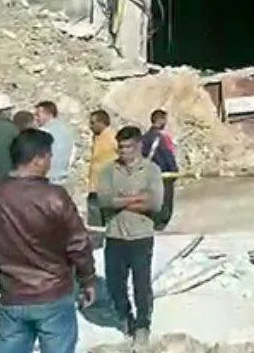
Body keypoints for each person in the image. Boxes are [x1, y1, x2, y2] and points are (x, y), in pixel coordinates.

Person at [0, 129, 96, 353]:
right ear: (37, 159)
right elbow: (78, 244)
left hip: (12, 293)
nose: (50, 162)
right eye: (48, 156)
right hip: (52, 293)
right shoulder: (54, 196)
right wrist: (88, 280)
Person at [96, 126, 165, 347]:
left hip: (140, 235)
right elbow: (105, 200)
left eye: (128, 147)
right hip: (115, 235)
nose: (123, 152)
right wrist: (136, 199)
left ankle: (143, 324)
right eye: (121, 147)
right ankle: (125, 317)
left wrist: (122, 200)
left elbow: (155, 203)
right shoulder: (108, 171)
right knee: (115, 283)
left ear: (138, 146)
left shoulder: (151, 170)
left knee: (141, 284)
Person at [142, 109, 179, 230]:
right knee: (165, 202)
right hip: (164, 176)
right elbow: (168, 157)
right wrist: (175, 172)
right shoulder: (162, 138)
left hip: (148, 176)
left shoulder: (144, 138)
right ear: (161, 120)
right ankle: (160, 224)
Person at [86, 110, 118, 227]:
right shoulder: (96, 138)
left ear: (102, 122)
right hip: (94, 187)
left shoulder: (112, 137)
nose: (90, 126)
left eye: (93, 123)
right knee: (95, 224)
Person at [33, 101, 74, 187]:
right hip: (63, 181)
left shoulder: (42, 132)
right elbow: (72, 156)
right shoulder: (67, 131)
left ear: (48, 114)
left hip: (46, 181)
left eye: (38, 114)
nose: (36, 118)